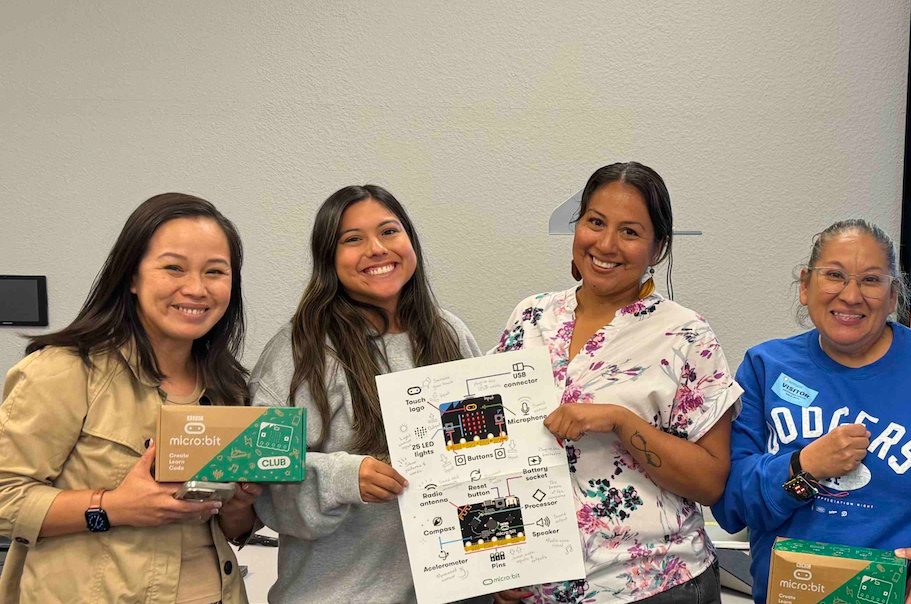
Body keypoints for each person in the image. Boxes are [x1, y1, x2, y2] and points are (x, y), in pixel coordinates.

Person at [711, 219, 911, 604]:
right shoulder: (766, 368)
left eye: (871, 280)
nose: (850, 295)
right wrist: (802, 468)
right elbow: (731, 503)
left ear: (894, 296)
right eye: (834, 275)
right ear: (804, 285)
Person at [492, 162, 741, 604]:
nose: (606, 244)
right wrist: (498, 562)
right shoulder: (531, 316)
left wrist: (622, 421)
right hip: (537, 586)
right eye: (595, 222)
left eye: (630, 231)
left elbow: (711, 482)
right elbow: (494, 454)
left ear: (658, 248)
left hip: (655, 584)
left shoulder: (686, 335)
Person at [0, 193, 258, 603]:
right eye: (174, 267)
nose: (195, 288)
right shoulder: (66, 371)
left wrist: (242, 501)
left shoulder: (232, 389)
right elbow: (5, 497)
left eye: (215, 272)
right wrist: (112, 507)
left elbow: (231, 528)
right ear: (132, 277)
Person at [249, 185, 484, 604]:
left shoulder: (450, 333)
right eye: (352, 239)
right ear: (328, 259)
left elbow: (490, 465)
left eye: (389, 232)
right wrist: (341, 478)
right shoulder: (298, 352)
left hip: (457, 593)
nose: (376, 249)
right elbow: (262, 481)